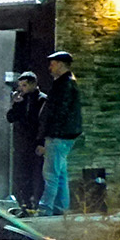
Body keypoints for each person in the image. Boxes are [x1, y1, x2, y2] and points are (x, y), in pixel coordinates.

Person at [37, 50, 82, 216]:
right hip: (66, 135)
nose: (50, 67)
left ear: (61, 65)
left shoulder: (63, 85)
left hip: (58, 135)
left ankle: (45, 208)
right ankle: (61, 208)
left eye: (53, 63)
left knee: (51, 174)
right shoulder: (68, 82)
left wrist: (48, 134)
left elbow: (58, 112)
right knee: (60, 173)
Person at [6, 71, 46, 212]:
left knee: (37, 173)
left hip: (34, 142)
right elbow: (10, 118)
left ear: (33, 84)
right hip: (22, 143)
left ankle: (36, 202)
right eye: (20, 85)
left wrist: (42, 142)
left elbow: (43, 123)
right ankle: (24, 202)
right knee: (22, 173)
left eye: (24, 85)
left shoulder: (42, 100)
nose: (21, 88)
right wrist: (16, 104)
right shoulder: (21, 100)